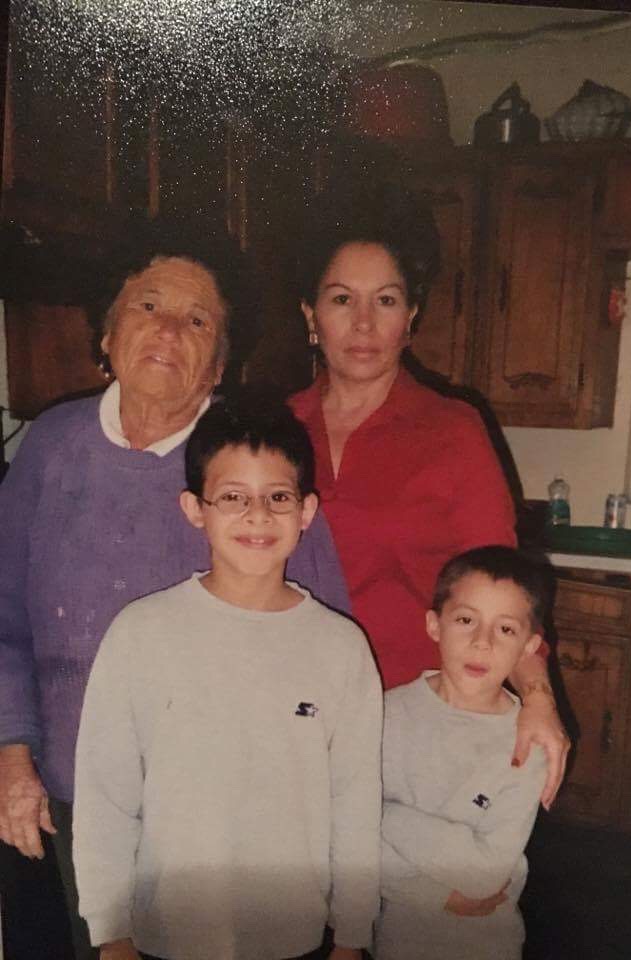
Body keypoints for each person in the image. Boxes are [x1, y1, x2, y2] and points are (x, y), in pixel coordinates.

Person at [0, 222, 348, 960]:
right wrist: (10, 749)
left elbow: (323, 642)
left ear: (218, 364)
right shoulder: (51, 446)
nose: (167, 330)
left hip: (216, 812)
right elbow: (3, 617)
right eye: (148, 305)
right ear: (107, 332)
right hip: (69, 795)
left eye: (197, 320)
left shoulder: (250, 467)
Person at [289, 181, 569, 808]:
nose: (364, 322)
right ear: (310, 315)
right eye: (342, 298)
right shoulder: (275, 429)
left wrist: (538, 699)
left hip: (416, 719)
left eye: (386, 300)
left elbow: (504, 585)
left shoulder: (452, 430)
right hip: (295, 712)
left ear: (410, 318)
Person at [73, 398, 382, 960]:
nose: (257, 516)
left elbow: (356, 801)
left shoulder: (341, 648)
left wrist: (353, 936)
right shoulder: (142, 634)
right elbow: (106, 796)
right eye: (233, 497)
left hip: (295, 937)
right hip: (166, 933)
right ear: (195, 508)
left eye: (278, 497)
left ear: (307, 511)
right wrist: (111, 932)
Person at [374, 545, 552, 960]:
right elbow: (351, 843)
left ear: (529, 647)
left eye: (505, 629)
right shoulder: (385, 714)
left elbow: (486, 874)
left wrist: (383, 814)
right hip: (396, 937)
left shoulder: (527, 744)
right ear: (434, 625)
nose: (481, 642)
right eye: (466, 620)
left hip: (488, 941)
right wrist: (432, 894)